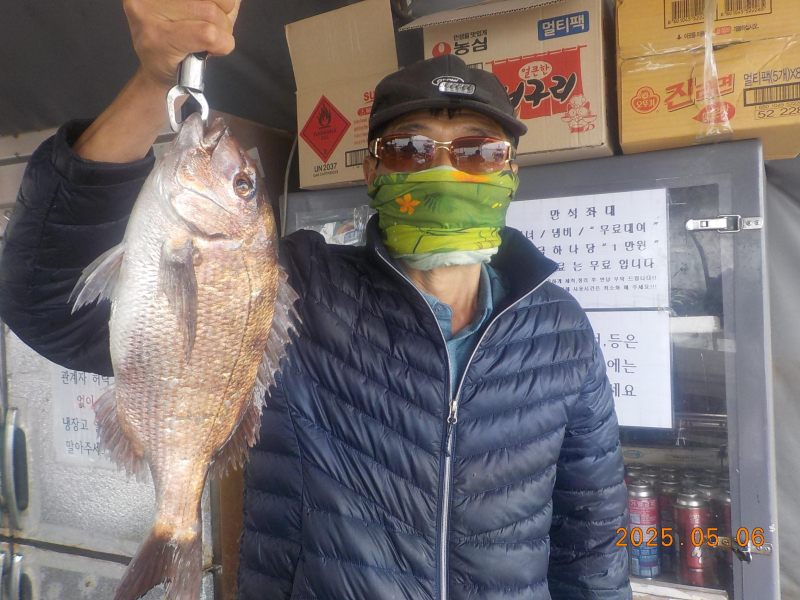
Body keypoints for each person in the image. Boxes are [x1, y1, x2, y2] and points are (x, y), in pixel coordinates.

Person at [0, 0, 631, 598]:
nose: (444, 170)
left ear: (510, 171)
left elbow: (595, 547)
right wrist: (154, 81)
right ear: (373, 172)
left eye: (479, 151)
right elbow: (45, 303)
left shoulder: (563, 333)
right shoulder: (300, 290)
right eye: (410, 148)